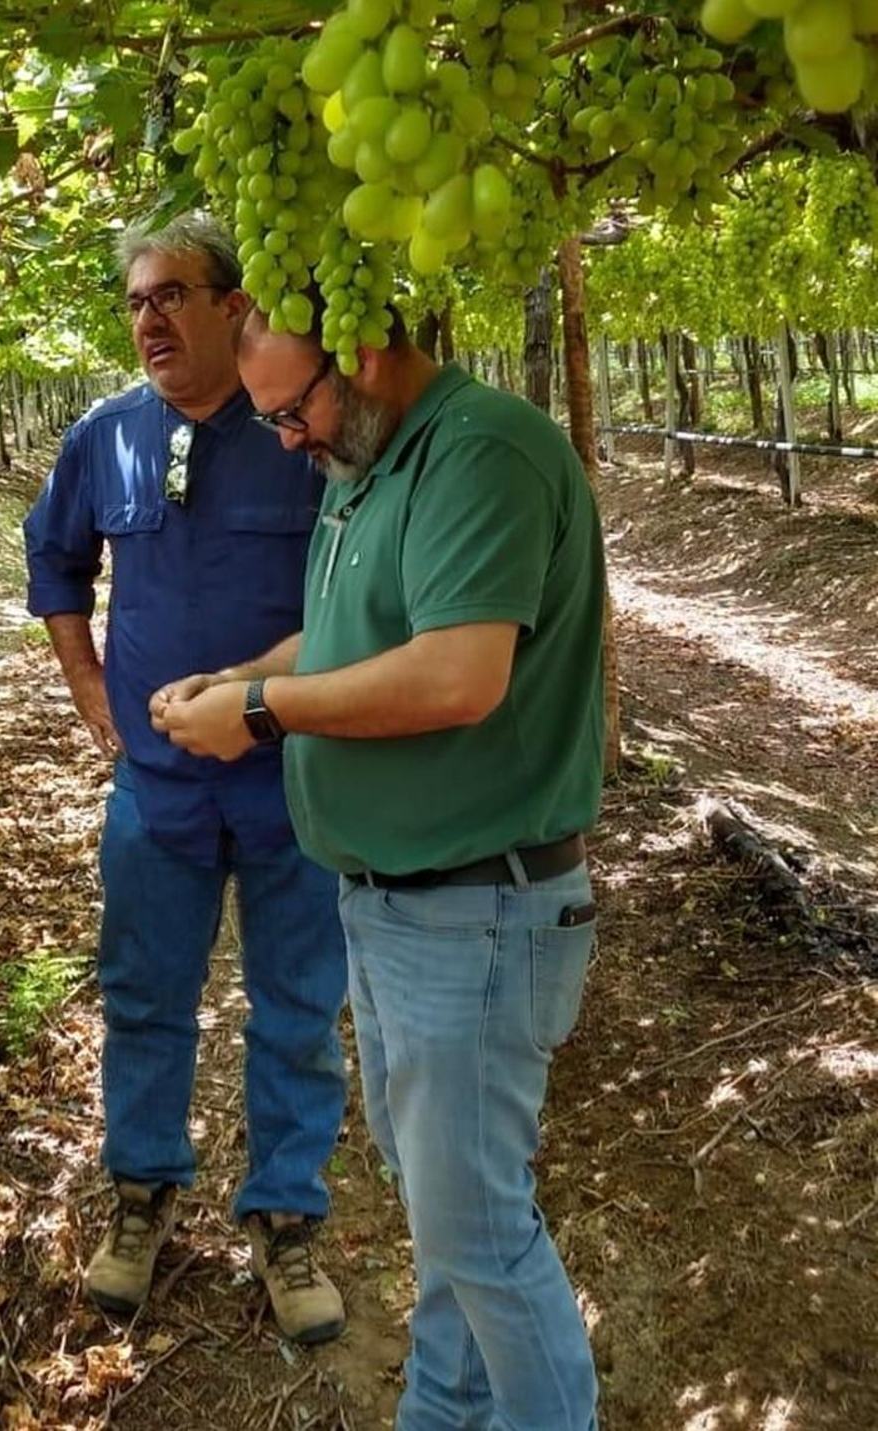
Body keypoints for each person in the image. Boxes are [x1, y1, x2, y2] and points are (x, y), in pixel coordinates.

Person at [156, 304, 606, 1428]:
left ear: (356, 351)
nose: (286, 440)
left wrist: (258, 716)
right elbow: (351, 637)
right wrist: (239, 676)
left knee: (481, 1233)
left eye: (290, 409)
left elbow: (456, 674)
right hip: (398, 910)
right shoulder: (367, 463)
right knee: (447, 1216)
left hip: (476, 911)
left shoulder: (478, 453)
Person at [23, 214, 351, 1345]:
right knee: (146, 997)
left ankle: (285, 1215)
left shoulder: (304, 432)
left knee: (299, 1010)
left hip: (294, 780)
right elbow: (55, 563)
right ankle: (143, 1193)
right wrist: (87, 688)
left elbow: (361, 600)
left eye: (172, 295)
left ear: (231, 306)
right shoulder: (105, 439)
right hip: (157, 787)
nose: (150, 318)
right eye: (134, 301)